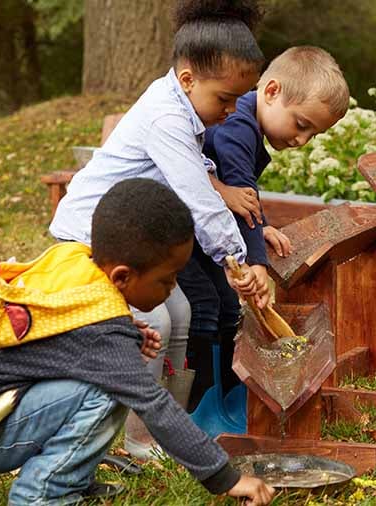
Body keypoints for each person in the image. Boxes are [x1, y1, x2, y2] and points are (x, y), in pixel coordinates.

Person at [0, 178, 275, 505]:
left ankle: (70, 480)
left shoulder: (75, 258)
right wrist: (226, 478)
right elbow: (156, 407)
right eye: (166, 279)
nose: (173, 289)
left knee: (104, 380)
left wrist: (128, 332)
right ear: (121, 277)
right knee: (107, 392)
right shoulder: (104, 330)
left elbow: (64, 335)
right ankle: (42, 493)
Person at [47, 0, 270, 456]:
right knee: (153, 321)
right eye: (224, 99)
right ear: (188, 79)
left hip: (132, 241)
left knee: (182, 315)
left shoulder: (180, 104)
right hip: (90, 239)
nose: (231, 111)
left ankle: (170, 424)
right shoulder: (166, 115)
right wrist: (236, 261)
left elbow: (194, 169)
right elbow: (196, 198)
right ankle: (136, 437)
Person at [182, 46, 350, 409]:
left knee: (228, 307)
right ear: (271, 91)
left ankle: (228, 397)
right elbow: (242, 191)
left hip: (206, 234)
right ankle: (193, 405)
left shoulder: (247, 123)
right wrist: (256, 261)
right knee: (205, 306)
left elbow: (238, 195)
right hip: (176, 234)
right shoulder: (237, 126)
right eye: (301, 124)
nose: (301, 140)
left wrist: (263, 227)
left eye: (313, 135)